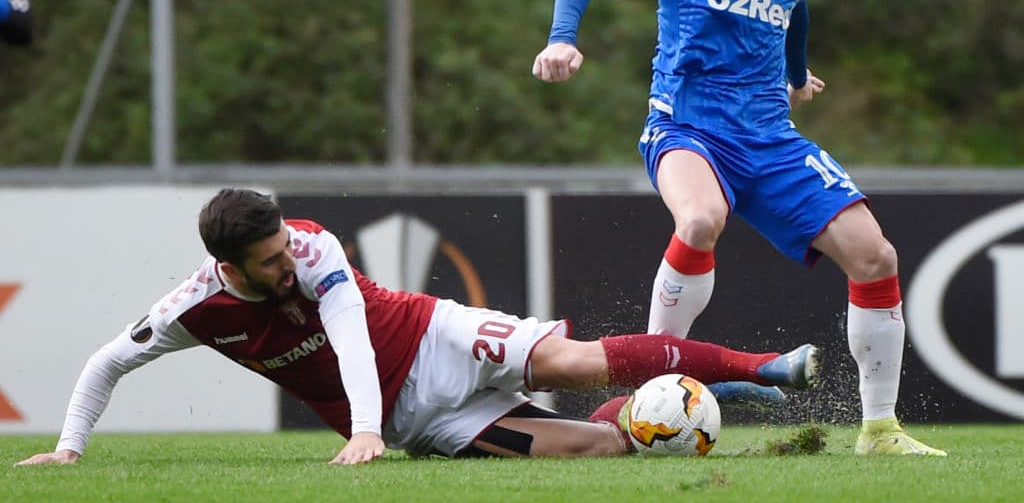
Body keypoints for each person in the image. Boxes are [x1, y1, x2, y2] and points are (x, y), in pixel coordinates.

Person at [532, 0, 945, 456]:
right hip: (688, 127)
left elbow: (794, 1)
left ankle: (880, 432)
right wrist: (563, 38)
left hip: (771, 139)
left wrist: (795, 71)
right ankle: (655, 382)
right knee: (700, 220)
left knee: (876, 256)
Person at [16, 188, 817, 467]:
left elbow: (351, 335)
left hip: (435, 334)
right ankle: (697, 402)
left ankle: (758, 366)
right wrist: (71, 446)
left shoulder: (312, 244)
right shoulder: (193, 309)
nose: (284, 262)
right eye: (265, 260)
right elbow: (105, 362)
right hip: (427, 420)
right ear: (227, 264)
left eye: (281, 246)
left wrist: (362, 431)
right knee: (605, 447)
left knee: (573, 363)